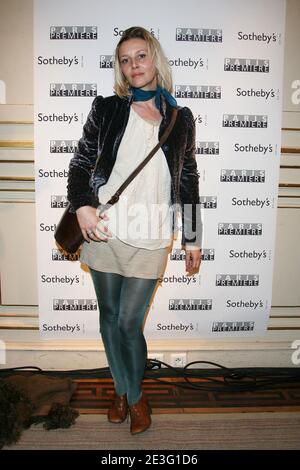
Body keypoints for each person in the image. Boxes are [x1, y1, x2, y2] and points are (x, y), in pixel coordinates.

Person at [67, 26, 202, 435]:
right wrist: (82, 206)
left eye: (140, 56)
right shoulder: (107, 108)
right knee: (109, 317)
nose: (133, 66)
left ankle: (134, 392)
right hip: (104, 229)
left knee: (129, 324)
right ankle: (125, 392)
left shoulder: (180, 119)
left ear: (154, 58)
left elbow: (189, 180)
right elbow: (79, 164)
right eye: (125, 60)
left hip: (151, 234)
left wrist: (193, 237)